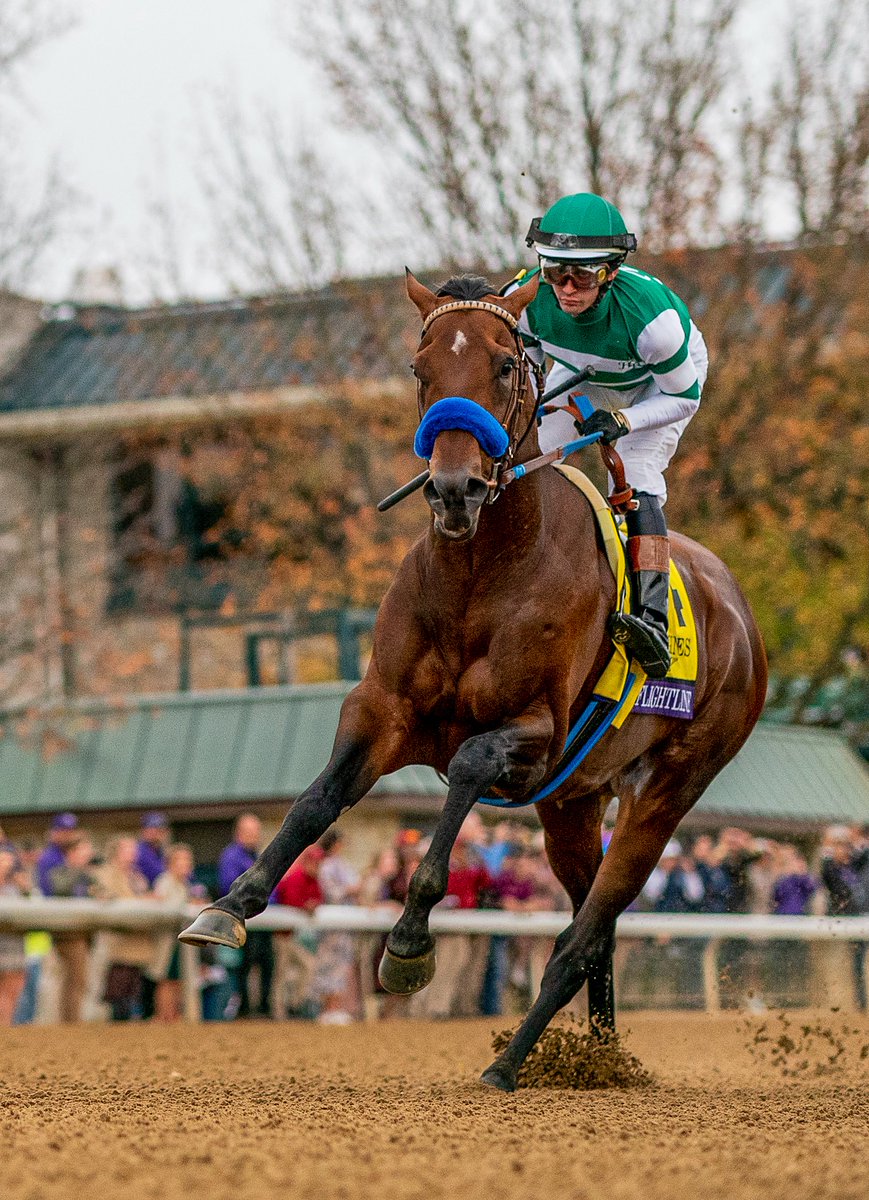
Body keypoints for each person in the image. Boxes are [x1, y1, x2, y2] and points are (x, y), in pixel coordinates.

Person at [518, 192, 708, 678]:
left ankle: (652, 619)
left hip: (660, 384)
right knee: (527, 452)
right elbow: (526, 373)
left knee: (635, 469)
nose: (564, 287)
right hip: (582, 371)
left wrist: (624, 421)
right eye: (553, 270)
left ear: (609, 272)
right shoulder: (527, 299)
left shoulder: (655, 326)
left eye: (579, 275)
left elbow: (686, 397)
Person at [218, 814, 274, 1018]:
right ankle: (244, 1009)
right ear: (239, 833)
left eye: (256, 832)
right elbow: (229, 885)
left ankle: (263, 1008)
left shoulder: (259, 856)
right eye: (249, 832)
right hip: (245, 920)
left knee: (267, 966)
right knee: (244, 966)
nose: (254, 836)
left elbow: (272, 887)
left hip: (265, 922)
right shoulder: (231, 856)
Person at [93, 836, 152, 1021]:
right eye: (128, 850)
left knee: (133, 989)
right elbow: (105, 896)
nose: (134, 854)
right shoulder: (104, 874)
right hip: (116, 943)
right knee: (117, 989)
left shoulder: (137, 876)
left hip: (137, 940)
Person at [48, 834, 99, 1023]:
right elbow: (60, 889)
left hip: (83, 934)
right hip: (67, 935)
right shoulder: (59, 872)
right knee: (75, 979)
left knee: (76, 980)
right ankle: (70, 1022)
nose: (88, 854)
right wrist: (79, 870)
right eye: (84, 850)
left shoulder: (87, 875)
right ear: (72, 852)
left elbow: (102, 892)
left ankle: (70, 1021)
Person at [272, 845, 325, 1018]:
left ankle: (295, 1005)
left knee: (306, 966)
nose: (317, 866)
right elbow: (290, 900)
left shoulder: (313, 879)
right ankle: (278, 1011)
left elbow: (319, 898)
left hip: (295, 936)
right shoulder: (296, 877)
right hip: (282, 935)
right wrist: (306, 906)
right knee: (282, 972)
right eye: (315, 862)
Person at [149, 843, 197, 1023]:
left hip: (180, 940)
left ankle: (174, 1015)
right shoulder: (164, 882)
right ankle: (163, 1016)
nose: (185, 864)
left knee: (178, 979)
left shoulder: (185, 885)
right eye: (181, 860)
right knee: (165, 979)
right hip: (166, 940)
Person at [0, 847, 28, 1025]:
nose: (7, 865)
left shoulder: (14, 889)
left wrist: (25, 887)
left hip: (16, 944)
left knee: (14, 988)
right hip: (4, 944)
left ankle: (6, 1027)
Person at [36, 812, 80, 895]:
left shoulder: (68, 853)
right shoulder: (49, 857)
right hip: (54, 905)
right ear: (54, 832)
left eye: (71, 831)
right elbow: (55, 889)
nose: (68, 835)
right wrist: (75, 867)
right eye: (63, 831)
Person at [136, 812, 170, 887]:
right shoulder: (139, 851)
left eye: (160, 830)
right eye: (151, 829)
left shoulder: (161, 851)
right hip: (143, 894)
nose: (156, 833)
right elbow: (158, 874)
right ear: (144, 831)